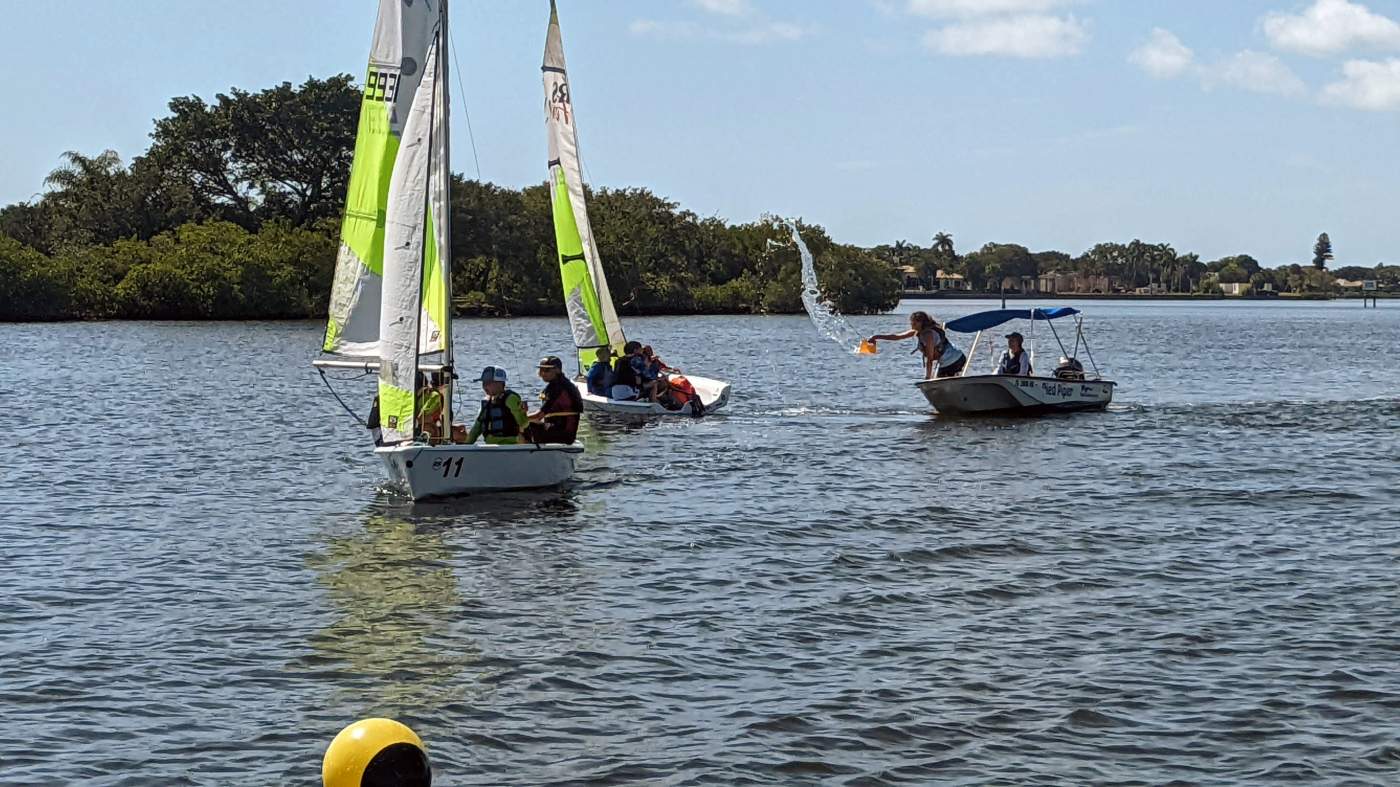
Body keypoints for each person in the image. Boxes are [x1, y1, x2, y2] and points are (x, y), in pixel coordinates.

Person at [866, 310, 966, 379]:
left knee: (939, 386)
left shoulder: (928, 335)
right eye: (911, 323)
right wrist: (876, 337)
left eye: (914, 323)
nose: (912, 325)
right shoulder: (917, 332)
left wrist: (927, 377)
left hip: (955, 360)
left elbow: (930, 359)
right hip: (950, 360)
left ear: (921, 323)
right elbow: (897, 336)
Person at [525, 356, 583, 444]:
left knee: (523, 426)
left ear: (557, 370)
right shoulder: (555, 385)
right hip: (556, 430)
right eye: (541, 370)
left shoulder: (559, 388)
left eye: (547, 370)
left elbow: (539, 416)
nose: (543, 373)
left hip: (564, 434)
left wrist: (519, 419)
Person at [465, 366, 529, 445]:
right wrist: (466, 446)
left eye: (488, 383)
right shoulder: (487, 402)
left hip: (511, 445)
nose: (484, 386)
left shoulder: (510, 398)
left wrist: (523, 412)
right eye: (483, 383)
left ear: (500, 383)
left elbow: (523, 423)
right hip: (492, 446)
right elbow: (477, 428)